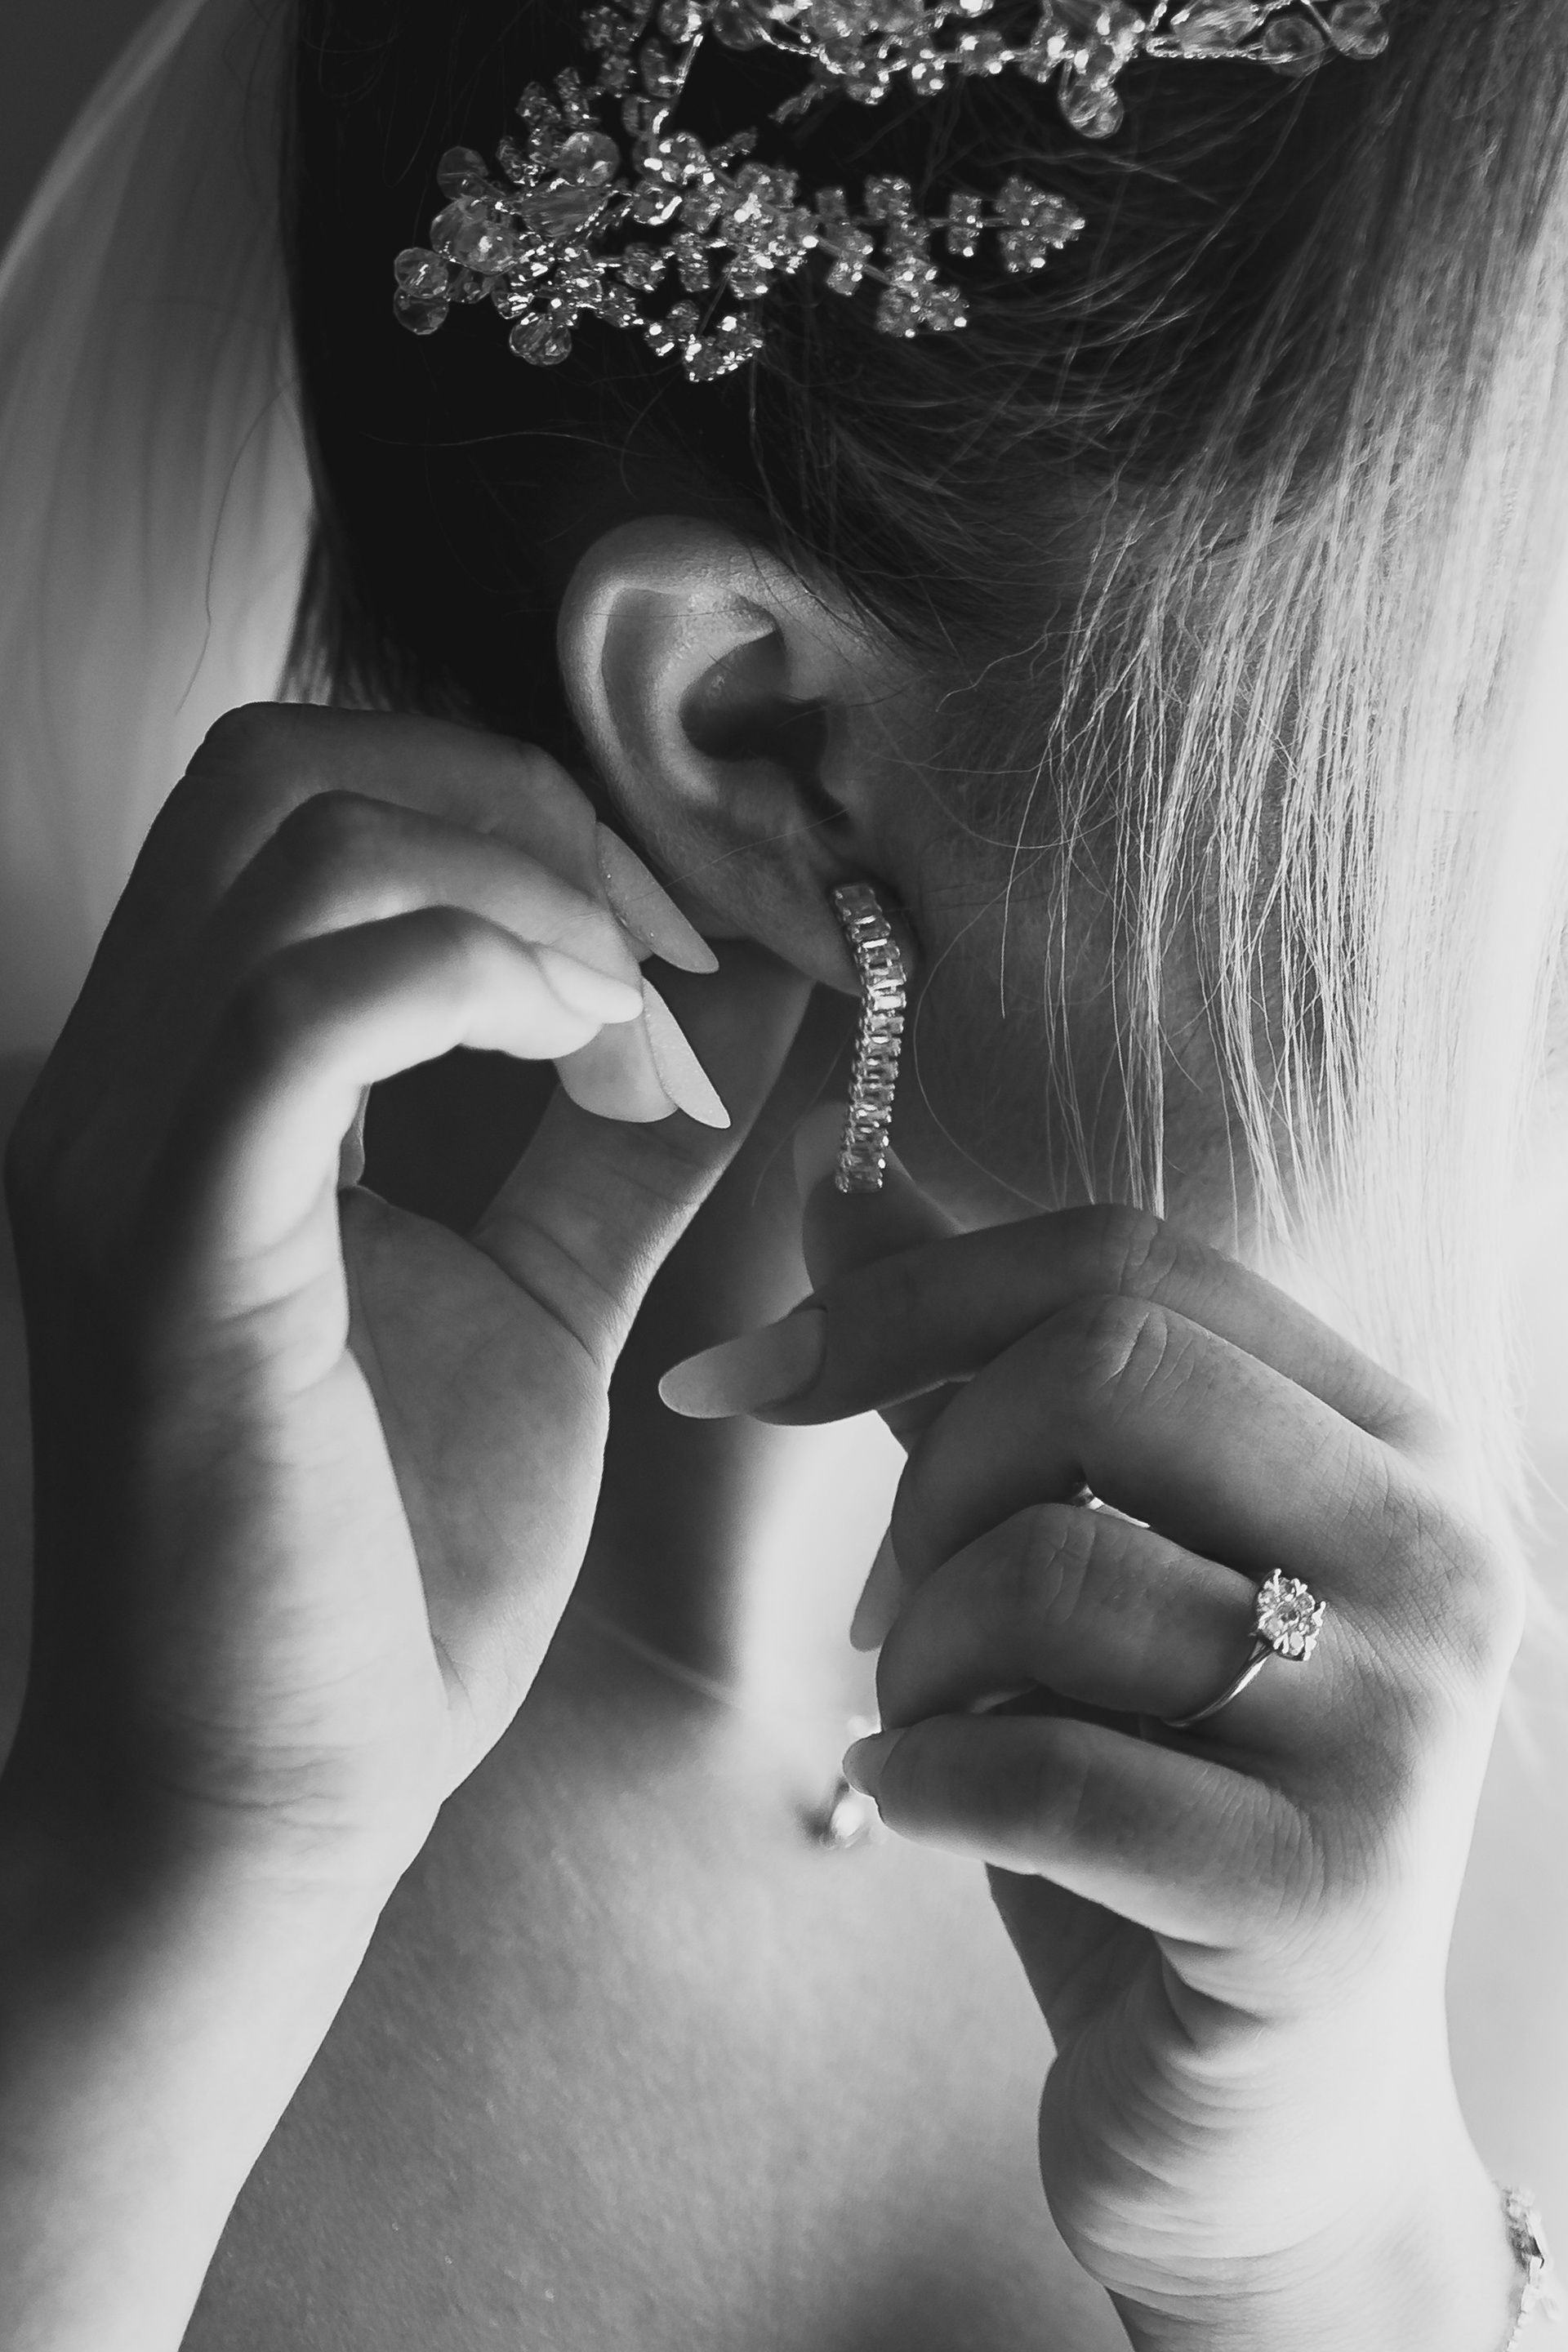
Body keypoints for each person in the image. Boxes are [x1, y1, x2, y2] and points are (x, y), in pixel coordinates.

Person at [2, 0, 1567, 2344]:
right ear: (770, 736)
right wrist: (173, 1882)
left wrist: (1340, 2263)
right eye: (1509, 666)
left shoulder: (1442, 1787)